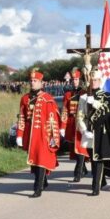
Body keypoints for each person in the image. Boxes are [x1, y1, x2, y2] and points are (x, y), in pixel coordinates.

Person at [16, 69, 60, 198]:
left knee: (41, 159)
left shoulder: (47, 99)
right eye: (31, 81)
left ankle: (37, 187)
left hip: (43, 134)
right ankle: (43, 182)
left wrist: (53, 136)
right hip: (30, 134)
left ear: (41, 83)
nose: (33, 83)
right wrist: (19, 134)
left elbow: (53, 119)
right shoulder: (24, 98)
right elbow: (22, 118)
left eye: (35, 81)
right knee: (34, 160)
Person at [83, 70, 110, 196]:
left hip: (101, 133)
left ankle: (95, 187)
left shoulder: (108, 96)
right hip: (88, 133)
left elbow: (107, 111)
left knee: (98, 159)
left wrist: (95, 103)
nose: (93, 82)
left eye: (96, 80)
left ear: (100, 81)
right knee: (93, 159)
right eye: (92, 80)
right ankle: (101, 181)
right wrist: (83, 129)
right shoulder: (85, 96)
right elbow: (80, 115)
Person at [60, 69, 89, 182]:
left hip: (81, 123)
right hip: (71, 123)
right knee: (74, 149)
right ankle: (84, 169)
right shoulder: (67, 95)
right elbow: (65, 111)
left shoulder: (85, 93)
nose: (74, 81)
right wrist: (62, 126)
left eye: (76, 79)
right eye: (73, 80)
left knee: (80, 147)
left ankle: (77, 173)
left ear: (80, 80)